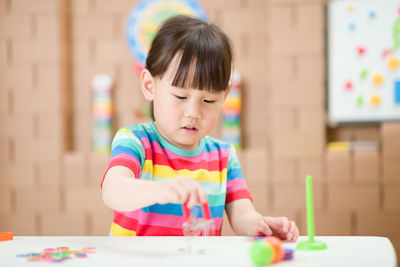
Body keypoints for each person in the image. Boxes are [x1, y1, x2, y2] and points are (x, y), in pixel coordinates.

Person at [101, 15, 299, 240]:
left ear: (224, 96)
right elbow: (113, 190)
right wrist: (161, 190)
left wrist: (259, 224)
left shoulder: (223, 157)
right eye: (180, 96)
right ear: (149, 86)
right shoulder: (135, 142)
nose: (194, 113)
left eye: (208, 101)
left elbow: (242, 214)